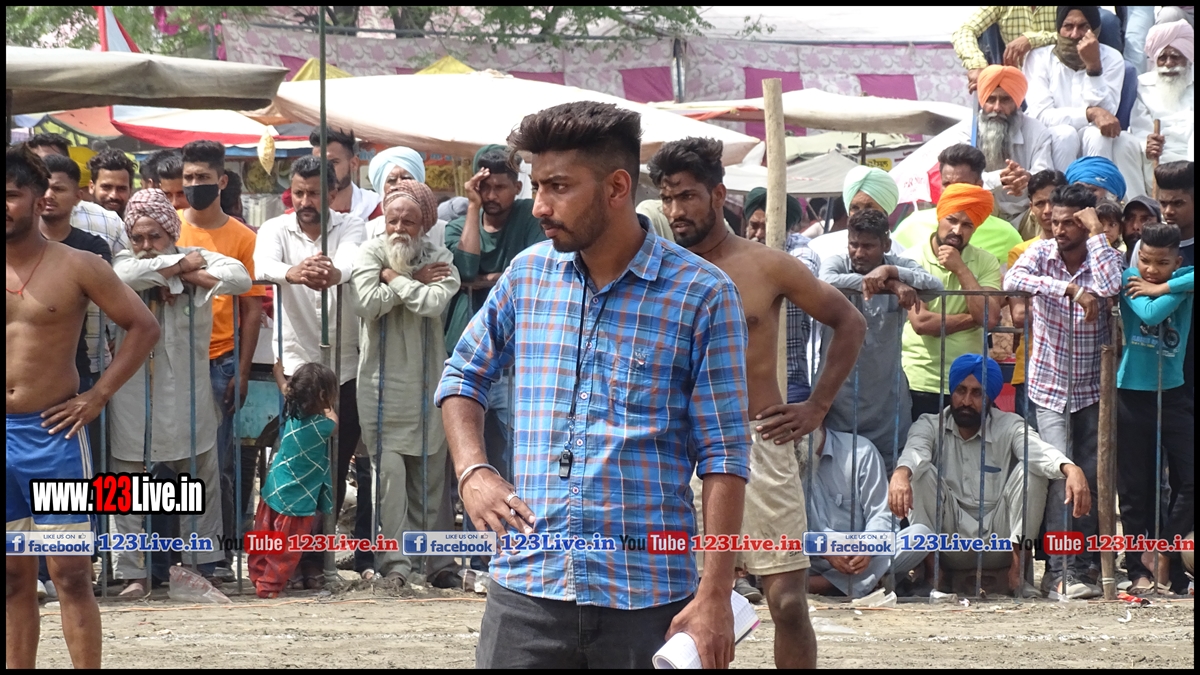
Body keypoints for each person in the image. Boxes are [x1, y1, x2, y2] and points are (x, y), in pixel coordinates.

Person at [437, 102, 751, 669]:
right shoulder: (527, 276)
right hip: (527, 590)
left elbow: (724, 454)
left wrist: (713, 595)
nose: (541, 205)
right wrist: (472, 471)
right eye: (538, 185)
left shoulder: (701, 294)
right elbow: (463, 373)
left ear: (617, 188)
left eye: (559, 186)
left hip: (648, 599)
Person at [651, 136, 866, 668]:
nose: (676, 211)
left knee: (788, 602)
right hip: (679, 448)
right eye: (668, 198)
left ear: (717, 194)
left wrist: (815, 407)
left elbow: (849, 322)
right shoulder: (656, 270)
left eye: (687, 196)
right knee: (683, 602)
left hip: (757, 442)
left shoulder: (767, 265)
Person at [6, 145, 160, 669]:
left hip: (54, 436)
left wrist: (98, 394)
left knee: (71, 574)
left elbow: (143, 326)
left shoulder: (79, 264)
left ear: (38, 199)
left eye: (11, 195)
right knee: (11, 577)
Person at [109, 189, 250, 596]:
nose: (146, 245)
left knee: (200, 479)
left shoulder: (196, 256)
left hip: (189, 392)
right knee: (127, 485)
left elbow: (239, 278)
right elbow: (125, 277)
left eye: (154, 236)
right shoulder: (124, 261)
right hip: (134, 394)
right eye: (138, 237)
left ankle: (201, 565)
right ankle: (134, 574)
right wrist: (175, 268)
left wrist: (184, 273)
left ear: (171, 232)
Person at [1003, 183, 1124, 598]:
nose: (1058, 229)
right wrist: (1069, 289)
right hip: (1050, 387)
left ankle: (1085, 566)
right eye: (1054, 221)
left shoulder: (1104, 254)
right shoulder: (1041, 253)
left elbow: (1110, 285)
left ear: (1086, 221)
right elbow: (1013, 278)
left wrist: (1098, 235)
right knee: (1062, 478)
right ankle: (1059, 571)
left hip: (1093, 389)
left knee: (1093, 479)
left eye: (1069, 222)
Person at [887, 354, 1091, 596]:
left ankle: (1017, 575)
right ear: (951, 392)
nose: (966, 401)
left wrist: (1071, 468)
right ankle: (934, 575)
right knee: (918, 473)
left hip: (1000, 542)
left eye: (977, 393)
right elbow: (915, 450)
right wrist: (901, 473)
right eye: (961, 391)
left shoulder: (1010, 425)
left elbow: (1036, 450)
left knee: (1032, 471)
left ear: (990, 397)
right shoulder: (930, 424)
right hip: (948, 544)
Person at [255, 155, 366, 587]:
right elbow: (262, 266)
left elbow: (352, 262)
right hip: (298, 367)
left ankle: (319, 561)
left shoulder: (350, 225)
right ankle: (289, 561)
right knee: (296, 465)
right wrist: (294, 272)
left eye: (315, 193)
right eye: (298, 193)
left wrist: (332, 272)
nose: (305, 202)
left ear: (333, 193)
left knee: (334, 467)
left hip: (344, 366)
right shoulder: (275, 228)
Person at [352, 182, 463, 589]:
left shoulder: (441, 257)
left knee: (430, 480)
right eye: (392, 220)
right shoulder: (370, 253)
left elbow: (432, 304)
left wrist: (394, 280)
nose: (399, 228)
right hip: (381, 387)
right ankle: (395, 564)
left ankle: (433, 564)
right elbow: (366, 303)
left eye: (409, 221)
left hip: (428, 385)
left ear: (425, 224)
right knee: (390, 481)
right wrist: (411, 278)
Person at [175, 140, 266, 570]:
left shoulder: (243, 237)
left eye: (203, 178)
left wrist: (242, 371)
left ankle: (218, 556)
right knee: (169, 461)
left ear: (222, 181)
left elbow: (252, 309)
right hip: (174, 358)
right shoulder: (169, 227)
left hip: (221, 359)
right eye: (189, 177)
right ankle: (169, 555)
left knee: (220, 462)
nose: (195, 184)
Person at [443, 145, 546, 500]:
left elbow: (532, 272)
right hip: (470, 360)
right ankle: (478, 536)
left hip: (517, 362)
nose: (491, 195)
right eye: (483, 187)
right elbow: (465, 269)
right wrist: (472, 207)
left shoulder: (529, 217)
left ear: (517, 187)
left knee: (518, 457)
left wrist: (486, 280)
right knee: (475, 461)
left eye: (499, 187)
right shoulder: (459, 225)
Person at [820, 208, 943, 473]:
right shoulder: (837, 264)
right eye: (854, 244)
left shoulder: (899, 266)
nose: (858, 253)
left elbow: (936, 287)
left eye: (868, 246)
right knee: (840, 478)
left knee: (891, 479)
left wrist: (890, 270)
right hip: (840, 402)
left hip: (887, 405)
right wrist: (891, 285)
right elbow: (825, 282)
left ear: (886, 245)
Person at [1116, 222, 1194, 595]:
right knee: (1135, 489)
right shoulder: (1130, 278)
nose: (1150, 270)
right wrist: (1175, 289)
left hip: (1173, 394)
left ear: (1177, 262)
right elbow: (1148, 314)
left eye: (1162, 263)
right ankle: (1137, 569)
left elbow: (1157, 297)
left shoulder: (1178, 279)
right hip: (1132, 394)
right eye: (1146, 260)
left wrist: (1164, 287)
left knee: (1189, 478)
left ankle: (1164, 551)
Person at [901, 183, 1003, 420]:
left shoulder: (986, 261)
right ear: (939, 217)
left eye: (967, 225)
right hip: (919, 379)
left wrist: (961, 269)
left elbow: (989, 318)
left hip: (969, 383)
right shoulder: (911, 259)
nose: (957, 230)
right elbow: (922, 323)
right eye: (952, 220)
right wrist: (973, 318)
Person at [1024, 6, 1149, 198]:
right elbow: (1041, 115)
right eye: (1068, 26)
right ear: (1058, 29)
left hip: (1093, 137)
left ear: (1096, 30)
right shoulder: (1038, 57)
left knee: (1098, 134)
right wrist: (1089, 113)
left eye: (1084, 27)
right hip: (1053, 137)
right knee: (1064, 134)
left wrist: (1094, 67)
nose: (1075, 34)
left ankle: (1099, 203)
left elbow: (1107, 115)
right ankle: (1062, 201)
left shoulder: (1111, 58)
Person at [805, 425, 935, 597]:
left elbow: (882, 514)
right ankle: (866, 582)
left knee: (921, 536)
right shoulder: (780, 461)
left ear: (817, 419)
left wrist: (867, 547)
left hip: (863, 558)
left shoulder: (860, 451)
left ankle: (821, 585)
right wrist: (823, 548)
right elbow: (781, 528)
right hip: (810, 559)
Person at [248, 362, 339, 599]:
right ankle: (269, 586)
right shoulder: (322, 426)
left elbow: (286, 389)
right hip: (297, 499)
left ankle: (258, 577)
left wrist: (278, 373)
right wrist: (327, 404)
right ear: (323, 395)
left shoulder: (294, 411)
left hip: (274, 488)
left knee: (264, 539)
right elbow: (334, 420)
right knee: (286, 549)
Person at [742, 186, 823, 404]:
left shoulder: (801, 251)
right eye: (754, 226)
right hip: (743, 381)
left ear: (786, 230)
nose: (759, 234)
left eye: (767, 228)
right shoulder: (739, 251)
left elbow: (804, 270)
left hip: (789, 379)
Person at [891, 145, 1023, 267]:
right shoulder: (912, 226)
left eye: (961, 185)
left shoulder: (1006, 234)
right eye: (947, 184)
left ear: (978, 186)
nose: (952, 191)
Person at [1008, 170, 1068, 426]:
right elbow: (1019, 315)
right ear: (1030, 207)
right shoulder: (1021, 252)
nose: (1047, 210)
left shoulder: (1089, 248)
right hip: (1033, 367)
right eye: (1039, 203)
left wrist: (1041, 298)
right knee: (1034, 447)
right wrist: (1070, 297)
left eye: (1053, 201)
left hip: (1082, 369)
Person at [26, 137, 130, 254]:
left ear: (78, 196)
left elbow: (124, 263)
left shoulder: (107, 224)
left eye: (58, 189)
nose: (49, 195)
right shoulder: (19, 227)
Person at [1150, 161, 1195, 395]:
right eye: (1163, 203)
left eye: (1178, 203)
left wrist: (1163, 288)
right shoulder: (1151, 245)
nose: (1168, 211)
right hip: (1165, 358)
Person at [1131, 20, 1195, 165]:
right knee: (1123, 142)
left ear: (1188, 58)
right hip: (1155, 159)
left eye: (1175, 57)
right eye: (1162, 58)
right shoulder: (1142, 85)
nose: (1169, 64)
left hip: (1190, 156)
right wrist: (1146, 144)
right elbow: (1139, 129)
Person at [808, 165, 902, 262]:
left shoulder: (902, 255)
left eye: (869, 208)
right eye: (855, 208)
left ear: (885, 212)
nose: (861, 215)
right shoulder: (819, 249)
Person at [952, 6, 1059, 90]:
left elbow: (1069, 38)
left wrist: (1031, 40)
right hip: (1017, 86)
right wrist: (977, 65)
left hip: (1058, 80)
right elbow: (964, 30)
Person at [309, 126, 381, 222]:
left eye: (333, 162)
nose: (325, 169)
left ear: (353, 164)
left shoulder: (375, 209)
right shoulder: (305, 212)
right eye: (318, 163)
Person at [86, 149, 137, 218]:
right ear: (91, 187)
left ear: (130, 191)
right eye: (106, 187)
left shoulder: (137, 222)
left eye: (121, 189)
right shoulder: (75, 221)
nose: (114, 196)